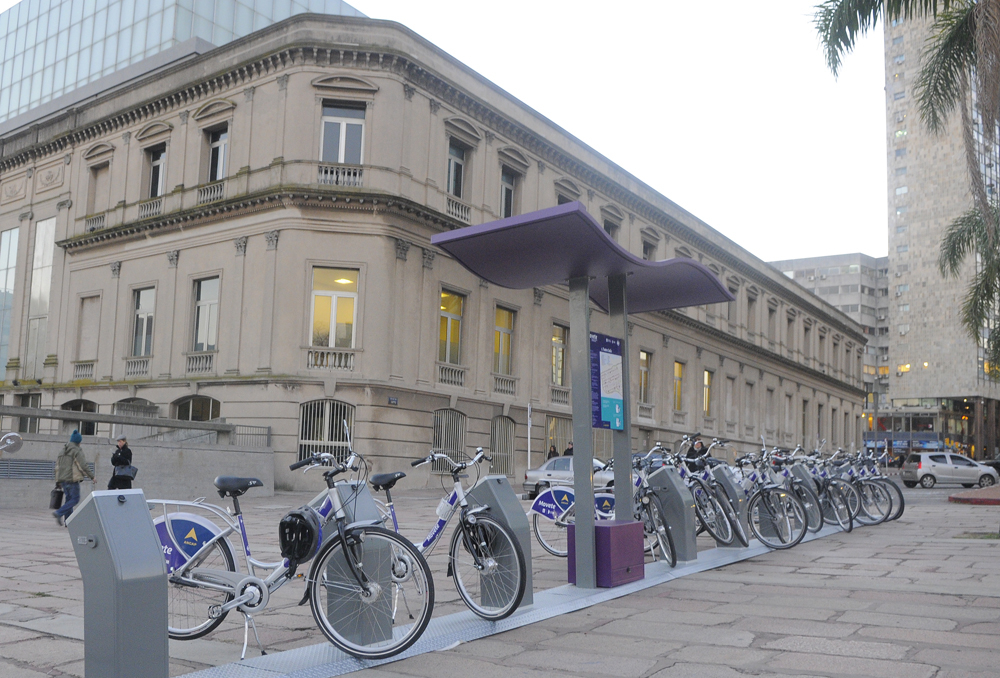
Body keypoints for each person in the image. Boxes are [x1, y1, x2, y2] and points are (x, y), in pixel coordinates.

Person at [54, 430, 94, 526]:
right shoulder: (76, 451)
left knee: (69, 500)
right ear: (78, 442)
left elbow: (57, 467)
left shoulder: (62, 451)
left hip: (63, 480)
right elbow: (83, 465)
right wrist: (92, 476)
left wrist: (58, 481)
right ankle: (59, 513)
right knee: (75, 499)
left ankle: (68, 521)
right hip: (72, 480)